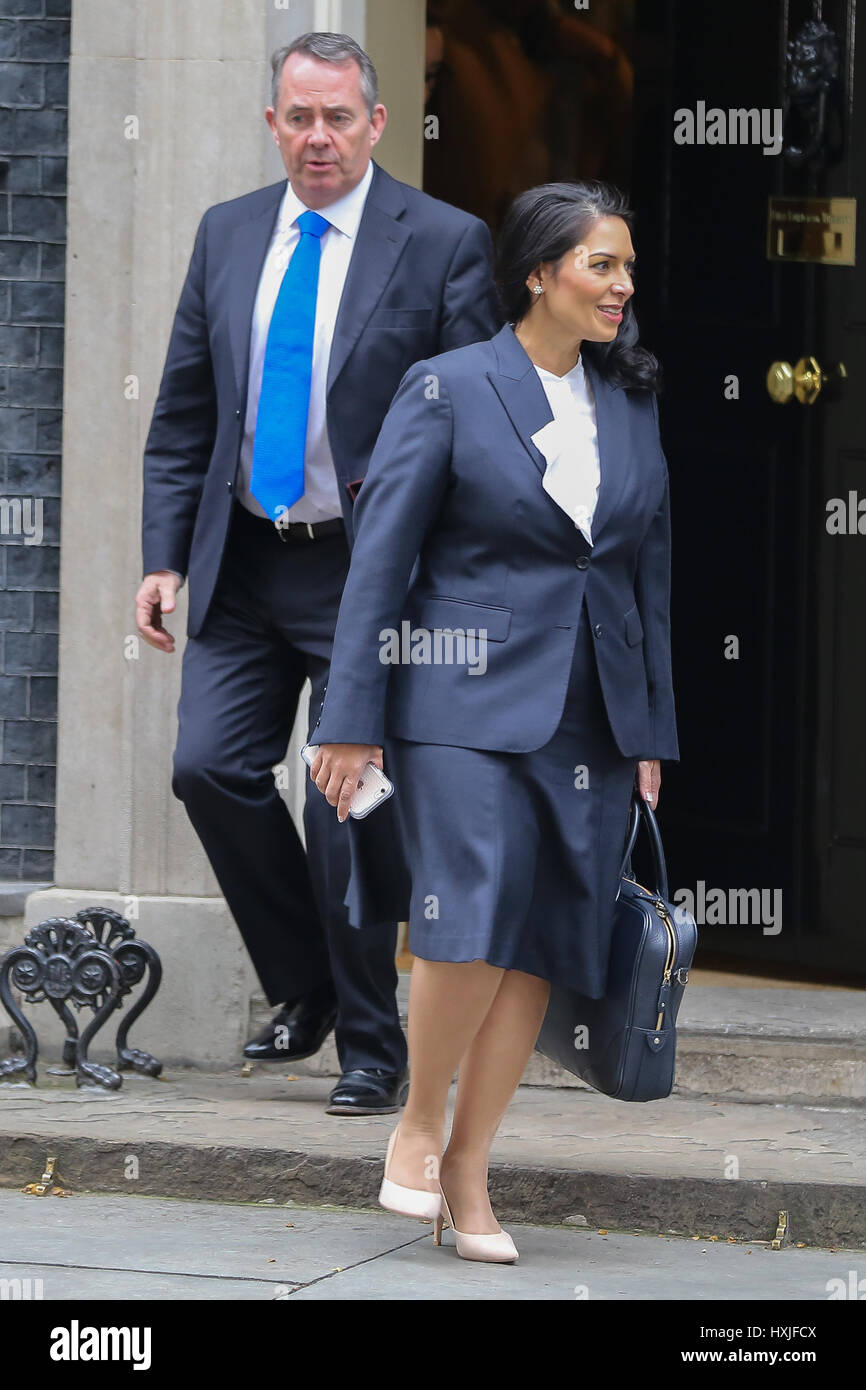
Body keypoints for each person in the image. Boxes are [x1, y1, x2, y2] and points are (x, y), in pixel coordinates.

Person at [310, 180, 678, 1258]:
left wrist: (648, 730)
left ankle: (471, 1169)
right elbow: (378, 567)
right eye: (598, 265)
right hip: (459, 700)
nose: (619, 286)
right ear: (536, 274)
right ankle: (416, 1129)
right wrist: (348, 718)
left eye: (624, 267)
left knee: (538, 942)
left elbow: (643, 573)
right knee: (464, 908)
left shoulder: (632, 401)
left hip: (591, 715)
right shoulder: (447, 387)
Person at [136, 32, 500, 1116]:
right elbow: (185, 413)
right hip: (244, 559)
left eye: (338, 118)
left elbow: (472, 430)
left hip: (365, 570)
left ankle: (372, 1048)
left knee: (342, 797)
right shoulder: (227, 233)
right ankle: (304, 984)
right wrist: (162, 558)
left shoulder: (442, 243)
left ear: (376, 123)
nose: (318, 138)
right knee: (207, 767)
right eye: (298, 117)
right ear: (272, 124)